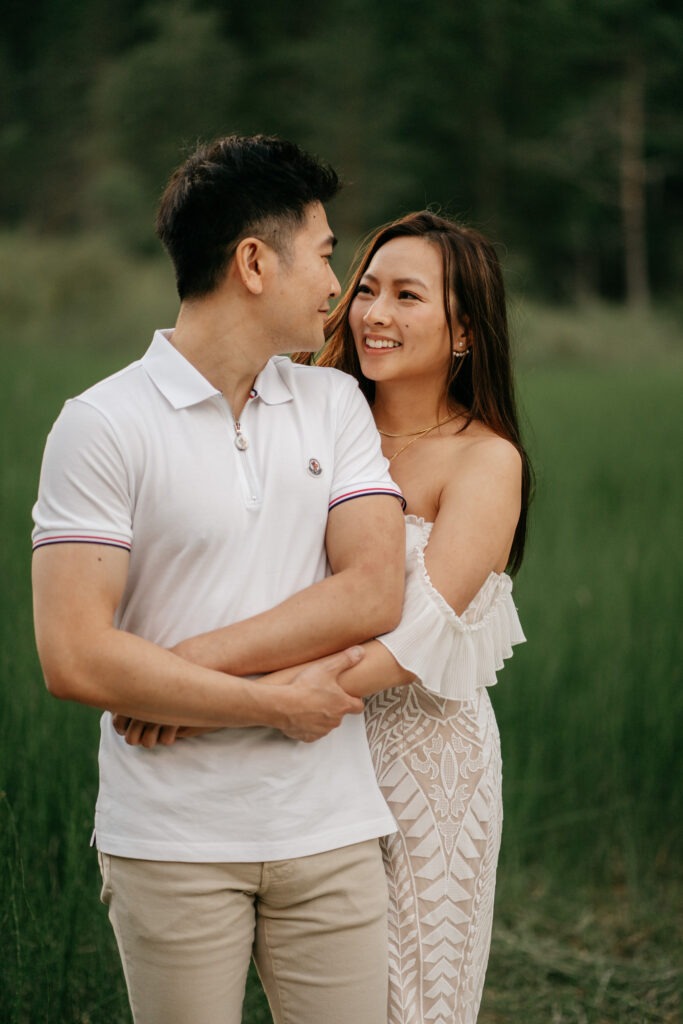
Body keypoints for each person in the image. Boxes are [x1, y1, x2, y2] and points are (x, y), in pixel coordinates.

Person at [31, 134, 408, 1024]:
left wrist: (185, 673)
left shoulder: (334, 403)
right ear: (252, 262)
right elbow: (76, 659)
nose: (336, 286)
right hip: (170, 843)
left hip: (330, 831)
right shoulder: (101, 425)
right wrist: (269, 704)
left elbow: (371, 591)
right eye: (323, 255)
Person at [125, 210, 531, 1022]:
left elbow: (420, 630)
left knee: (412, 999)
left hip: (420, 755)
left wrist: (203, 687)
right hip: (294, 760)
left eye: (408, 296)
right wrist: (238, 697)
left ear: (464, 333)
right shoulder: (313, 411)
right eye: (366, 288)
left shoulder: (484, 459)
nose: (375, 314)